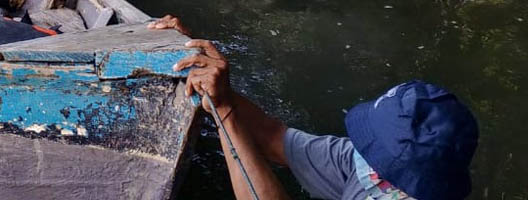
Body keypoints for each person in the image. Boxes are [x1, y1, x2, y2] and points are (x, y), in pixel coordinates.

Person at [149, 16, 479, 200]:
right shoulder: (366, 165)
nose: (367, 151)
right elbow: (273, 137)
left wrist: (224, 113)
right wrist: (208, 74)